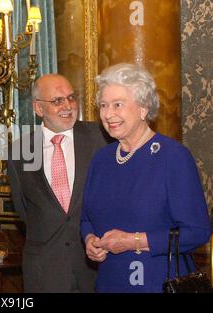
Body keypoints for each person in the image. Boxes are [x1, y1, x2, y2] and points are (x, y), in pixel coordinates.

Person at [81, 63, 212, 292]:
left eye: (117, 105)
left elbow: (198, 231)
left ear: (143, 108)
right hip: (109, 283)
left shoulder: (173, 157)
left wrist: (134, 241)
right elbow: (86, 219)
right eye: (103, 105)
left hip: (158, 283)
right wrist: (89, 239)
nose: (108, 114)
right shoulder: (101, 160)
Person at [8, 74, 110, 292]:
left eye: (71, 98)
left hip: (96, 267)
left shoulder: (100, 138)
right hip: (45, 271)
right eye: (57, 101)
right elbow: (24, 210)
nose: (68, 106)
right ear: (38, 108)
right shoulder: (19, 151)